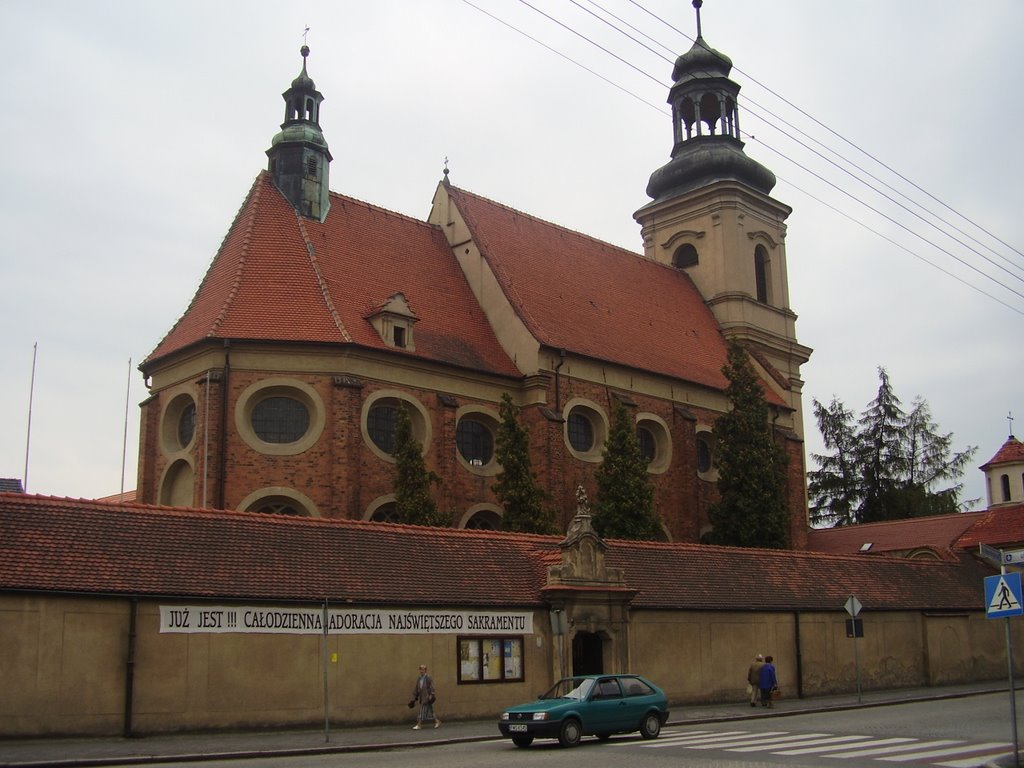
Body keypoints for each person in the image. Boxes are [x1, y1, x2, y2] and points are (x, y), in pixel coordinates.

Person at [411, 664, 441, 729]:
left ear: (425, 670)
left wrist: (431, 694)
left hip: (427, 697)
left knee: (422, 710)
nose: (421, 671)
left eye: (423, 669)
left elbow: (432, 686)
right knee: (430, 711)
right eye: (420, 669)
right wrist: (415, 696)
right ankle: (437, 721)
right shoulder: (419, 678)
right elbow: (417, 688)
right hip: (422, 697)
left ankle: (419, 725)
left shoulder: (428, 677)